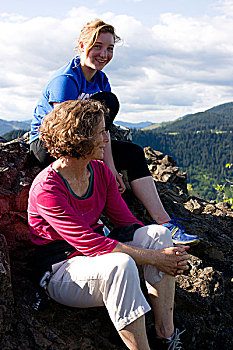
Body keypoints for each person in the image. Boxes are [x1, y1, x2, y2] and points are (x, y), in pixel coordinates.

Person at [28, 99, 190, 350]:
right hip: (61, 269)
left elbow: (127, 222)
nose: (107, 139)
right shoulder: (47, 187)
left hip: (94, 258)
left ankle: (165, 336)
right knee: (120, 263)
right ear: (79, 138)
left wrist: (164, 251)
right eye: (101, 132)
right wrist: (156, 258)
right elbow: (90, 243)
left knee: (159, 234)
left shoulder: (100, 171)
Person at [29, 18, 199, 246]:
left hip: (83, 141)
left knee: (133, 153)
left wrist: (109, 166)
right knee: (108, 101)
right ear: (81, 46)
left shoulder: (100, 79)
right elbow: (63, 131)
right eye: (97, 46)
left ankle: (165, 223)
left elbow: (101, 128)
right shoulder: (65, 80)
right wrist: (102, 170)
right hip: (49, 145)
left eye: (110, 48)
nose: (104, 54)